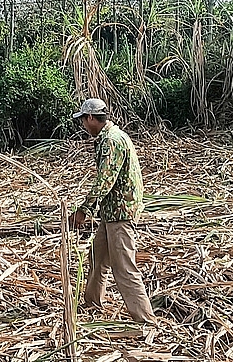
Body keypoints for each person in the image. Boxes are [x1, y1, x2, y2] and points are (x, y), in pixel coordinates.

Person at [69, 98, 157, 324]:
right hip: (111, 213)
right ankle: (91, 305)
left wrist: (83, 210)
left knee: (124, 268)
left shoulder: (112, 141)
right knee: (98, 259)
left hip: (121, 214)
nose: (83, 126)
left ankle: (146, 320)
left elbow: (104, 181)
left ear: (90, 118)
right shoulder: (109, 138)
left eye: (83, 121)